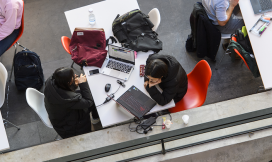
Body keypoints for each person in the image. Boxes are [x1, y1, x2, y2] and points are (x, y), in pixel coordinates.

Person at [44, 67, 99, 139]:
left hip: (60, 113)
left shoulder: (53, 81)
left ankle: (95, 118)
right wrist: (82, 83)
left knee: (89, 95)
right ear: (68, 82)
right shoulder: (68, 99)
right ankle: (95, 119)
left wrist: (73, 84)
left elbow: (67, 90)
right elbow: (89, 102)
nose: (75, 75)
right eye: (73, 77)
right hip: (69, 128)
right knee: (92, 99)